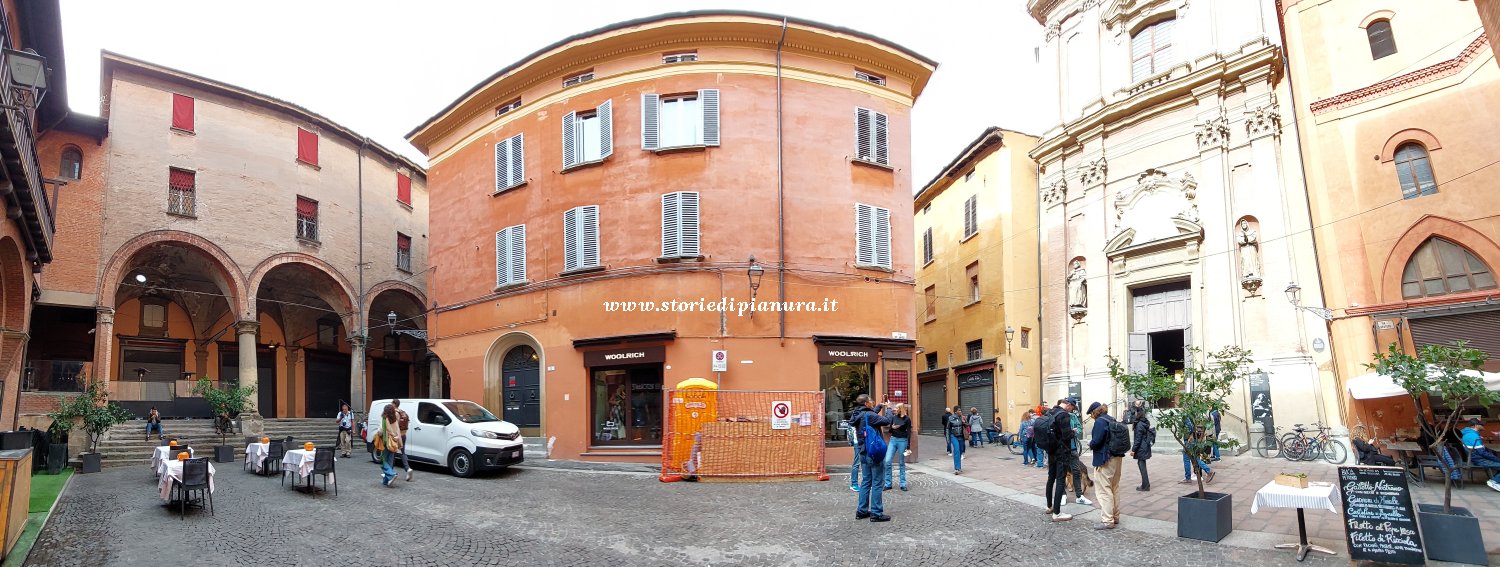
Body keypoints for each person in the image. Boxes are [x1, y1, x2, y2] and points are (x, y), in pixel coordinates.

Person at [850, 394, 893, 522]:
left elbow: (870, 415)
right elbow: (887, 421)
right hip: (873, 453)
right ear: (866, 404)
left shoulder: (858, 414)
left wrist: (880, 405)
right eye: (871, 401)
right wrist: (889, 409)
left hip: (863, 452)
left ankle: (862, 511)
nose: (872, 402)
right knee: (877, 483)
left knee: (866, 481)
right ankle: (876, 512)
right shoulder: (869, 415)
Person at [1086, 401, 1124, 530]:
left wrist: (1090, 444)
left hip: (1105, 459)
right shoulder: (1111, 419)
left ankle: (1107, 520)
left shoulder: (1100, 422)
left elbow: (1096, 442)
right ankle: (1115, 516)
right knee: (1114, 487)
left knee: (1104, 489)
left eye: (1091, 414)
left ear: (1094, 412)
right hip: (1117, 457)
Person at [1044, 398, 1079, 522]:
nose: (1072, 410)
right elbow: (1066, 435)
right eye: (1072, 408)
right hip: (1062, 453)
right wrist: (1073, 432)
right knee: (1060, 481)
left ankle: (1049, 507)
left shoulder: (1050, 412)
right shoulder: (1064, 415)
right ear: (1068, 405)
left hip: (1051, 451)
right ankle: (1057, 513)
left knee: (1050, 478)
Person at [1461, 418, 1500, 492]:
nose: (1483, 425)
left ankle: (1496, 479)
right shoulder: (1472, 436)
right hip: (1478, 459)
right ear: (1475, 426)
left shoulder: (1469, 434)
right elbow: (1482, 452)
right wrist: (1497, 458)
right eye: (1481, 424)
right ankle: (1495, 482)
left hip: (1475, 457)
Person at [884, 403, 911, 491]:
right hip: (893, 440)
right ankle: (888, 484)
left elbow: (909, 432)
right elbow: (890, 430)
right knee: (887, 460)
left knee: (901, 462)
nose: (894, 409)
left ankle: (903, 484)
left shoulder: (907, 419)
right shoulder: (893, 417)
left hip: (903, 441)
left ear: (900, 409)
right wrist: (892, 427)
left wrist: (908, 445)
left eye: (896, 408)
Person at [1180, 416, 1214, 484]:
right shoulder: (1192, 415)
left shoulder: (1186, 416)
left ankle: (1188, 478)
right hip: (1194, 440)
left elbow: (1190, 427)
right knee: (1196, 459)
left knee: (1186, 459)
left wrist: (1189, 435)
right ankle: (1208, 471)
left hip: (1189, 441)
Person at [377, 403, 403, 487]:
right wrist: (399, 442)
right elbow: (398, 431)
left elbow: (380, 431)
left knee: (383, 460)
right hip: (394, 442)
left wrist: (378, 434)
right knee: (390, 461)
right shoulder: (394, 419)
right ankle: (387, 481)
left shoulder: (384, 419)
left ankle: (391, 474)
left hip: (386, 442)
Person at [1131, 400, 1154, 491]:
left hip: (1141, 447)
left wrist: (1133, 450)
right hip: (1144, 446)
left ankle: (1145, 485)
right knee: (1142, 464)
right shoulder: (1144, 423)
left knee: (1141, 465)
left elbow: (1138, 439)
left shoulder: (1139, 425)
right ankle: (1145, 484)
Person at [391, 399, 414, 482]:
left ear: (394, 404)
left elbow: (394, 426)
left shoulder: (395, 413)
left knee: (392, 453)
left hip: (397, 436)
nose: (391, 404)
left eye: (392, 403)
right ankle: (408, 469)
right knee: (402, 452)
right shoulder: (402, 412)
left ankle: (390, 472)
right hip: (403, 435)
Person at [947, 404, 967, 474]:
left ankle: (959, 467)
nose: (960, 411)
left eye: (960, 410)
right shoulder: (951, 418)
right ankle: (957, 468)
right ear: (955, 411)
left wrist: (964, 421)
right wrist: (948, 439)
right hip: (953, 436)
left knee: (961, 451)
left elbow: (967, 426)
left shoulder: (962, 418)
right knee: (956, 450)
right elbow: (947, 428)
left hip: (961, 436)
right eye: (959, 410)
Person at [846, 417, 861, 491]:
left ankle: (855, 483)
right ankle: (854, 484)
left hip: (858, 443)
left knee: (858, 463)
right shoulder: (859, 418)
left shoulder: (853, 418)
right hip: (858, 443)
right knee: (857, 463)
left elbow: (849, 433)